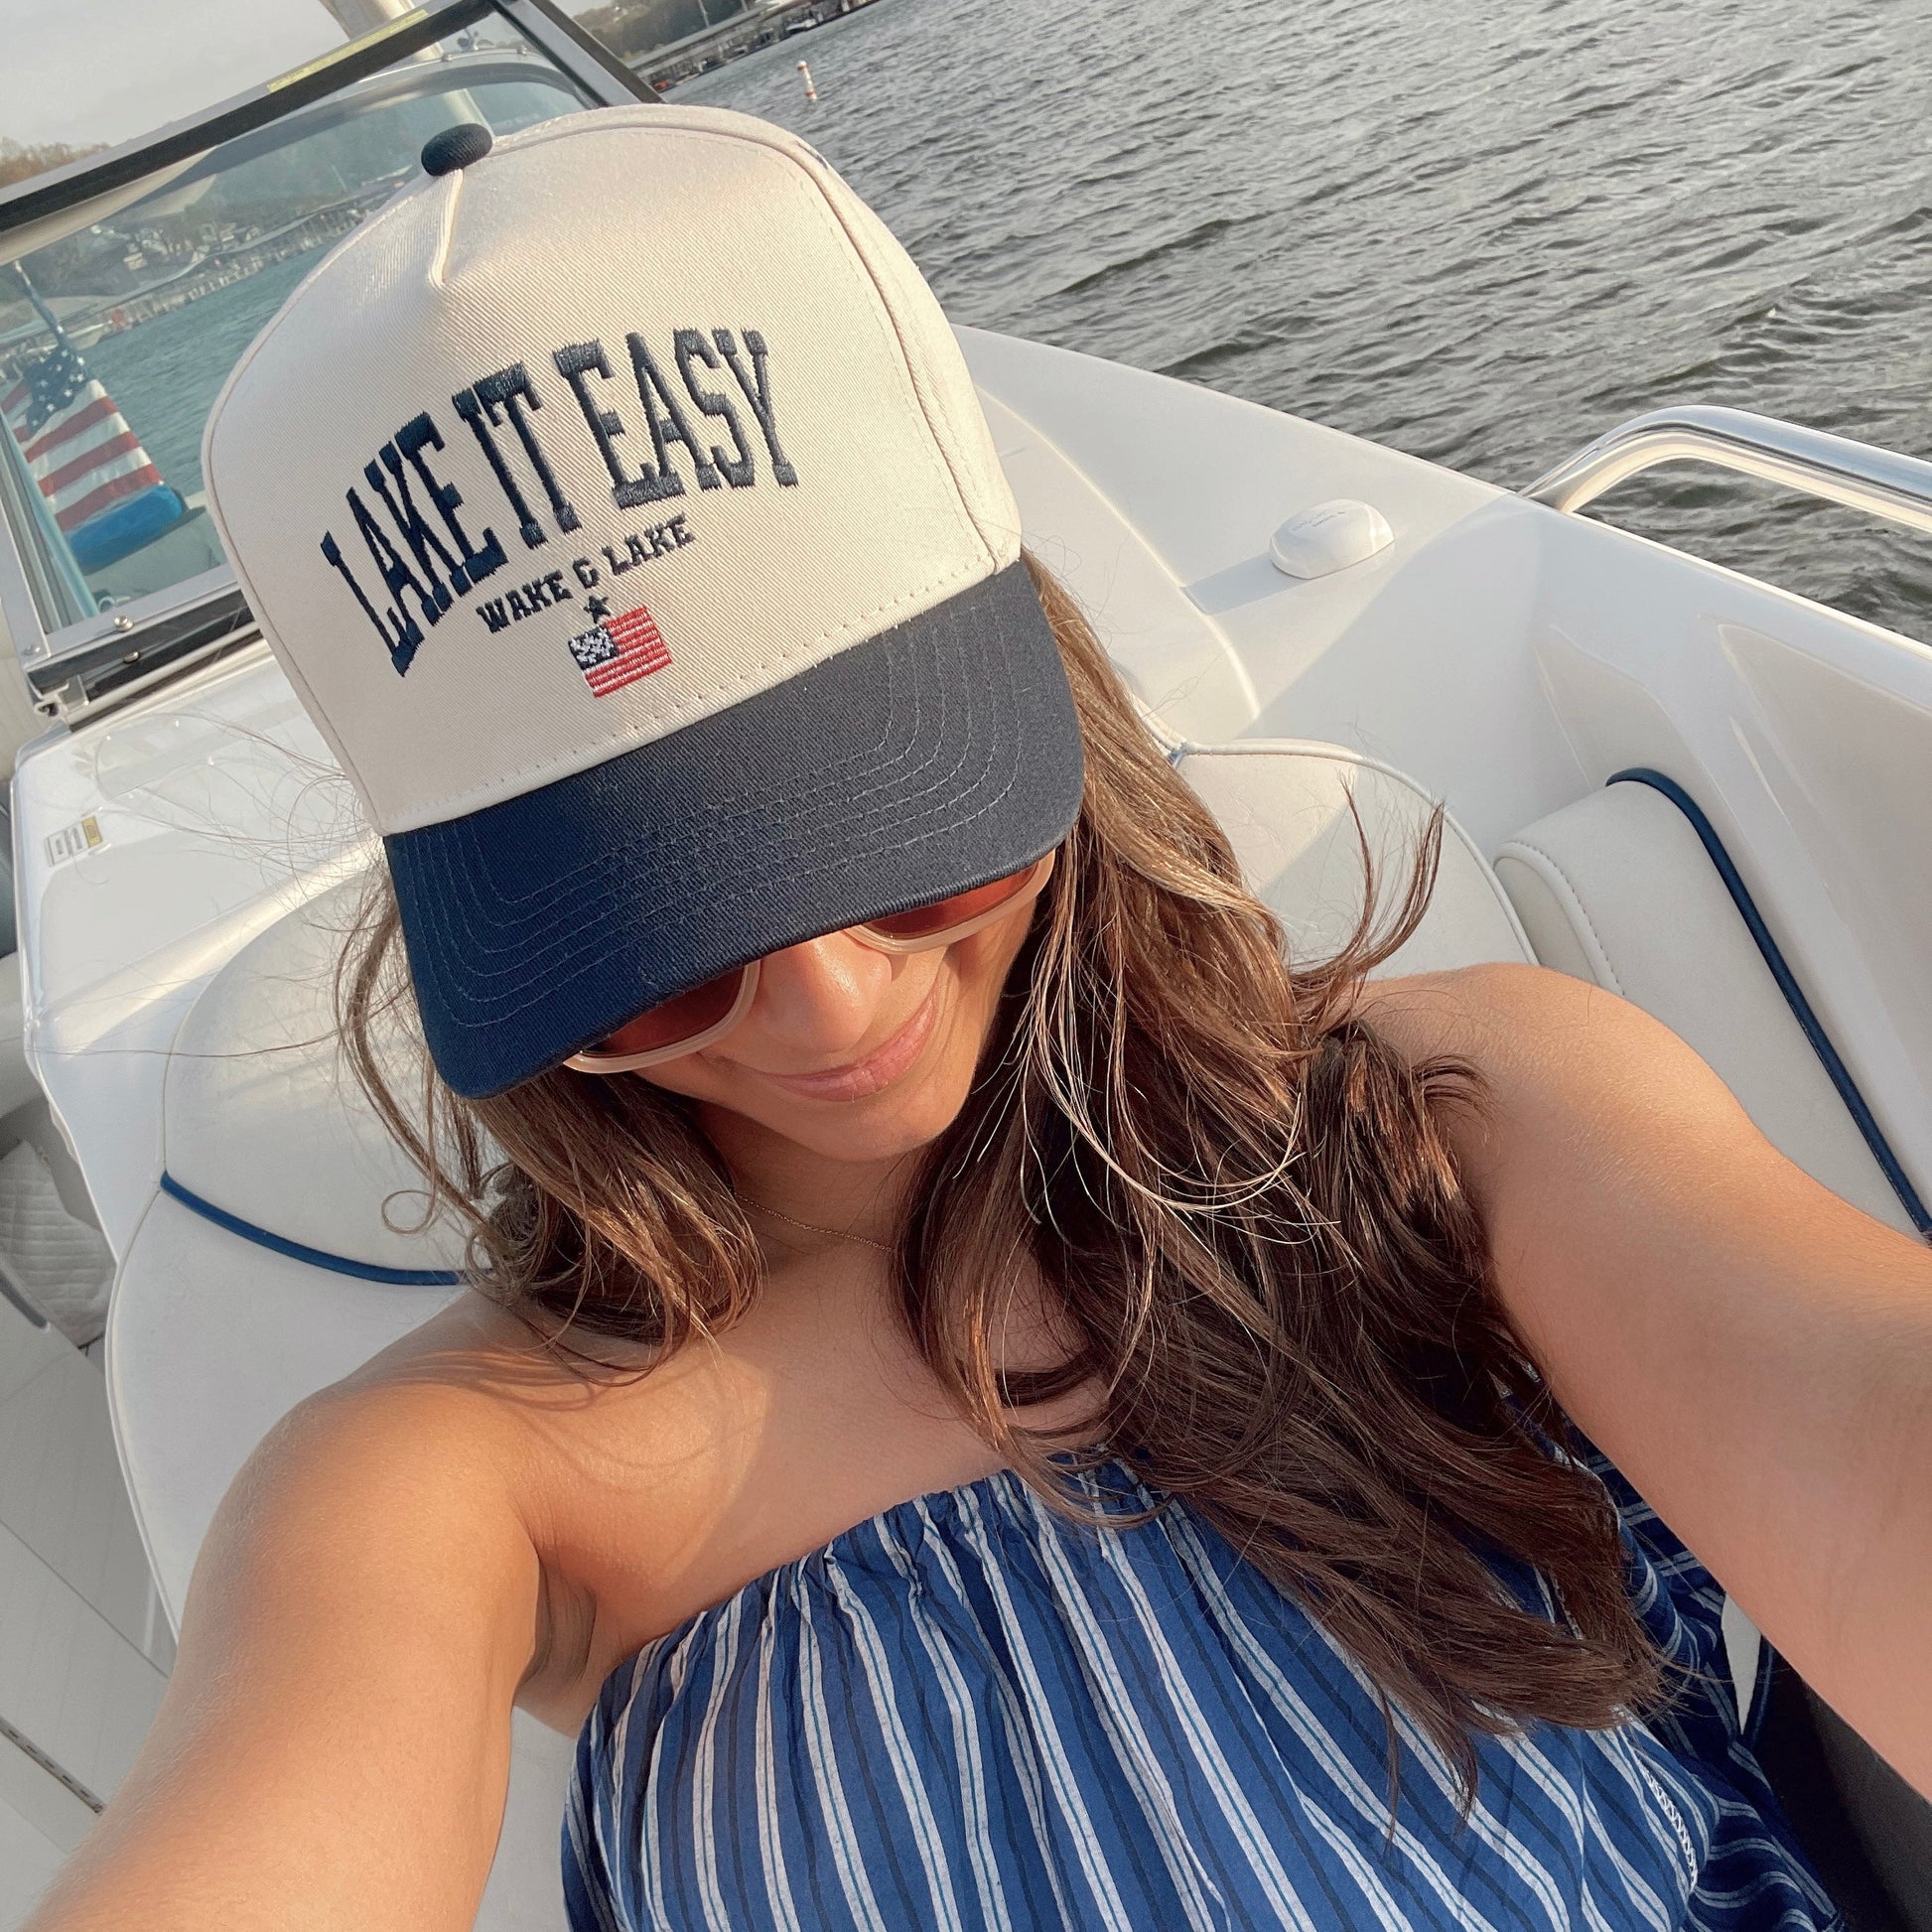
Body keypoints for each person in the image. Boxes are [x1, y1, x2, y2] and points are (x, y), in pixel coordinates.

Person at [28, 105, 1929, 1932]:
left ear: (1045, 703)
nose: (830, 1007)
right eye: (658, 944)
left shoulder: (1460, 1125)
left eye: (904, 847)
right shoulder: (440, 1483)